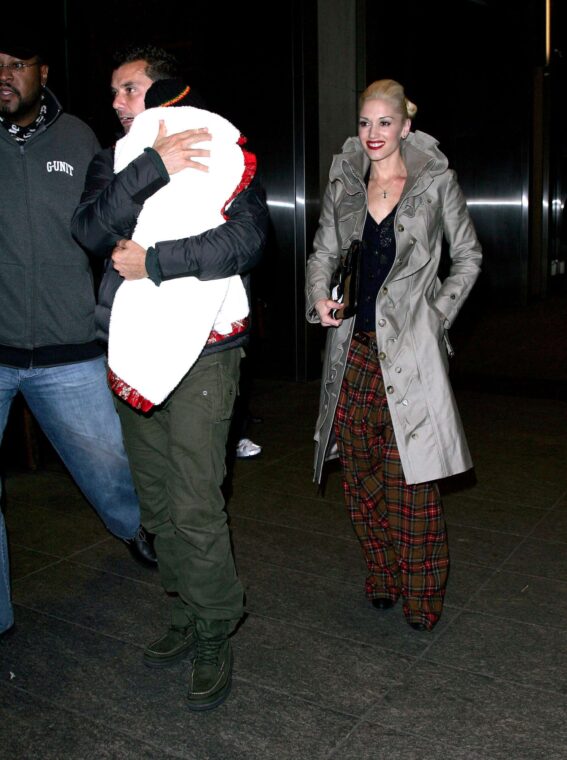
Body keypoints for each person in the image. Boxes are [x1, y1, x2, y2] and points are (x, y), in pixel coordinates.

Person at [71, 47, 269, 710]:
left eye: (127, 90)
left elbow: (247, 241)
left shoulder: (217, 143)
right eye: (113, 93)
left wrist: (155, 262)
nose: (118, 104)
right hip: (132, 345)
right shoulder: (120, 157)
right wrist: (154, 167)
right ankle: (183, 611)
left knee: (192, 501)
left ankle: (215, 627)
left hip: (209, 349)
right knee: (155, 504)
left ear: (161, 90)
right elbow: (90, 230)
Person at [305, 79, 482, 632]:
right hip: (354, 350)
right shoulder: (345, 182)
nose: (373, 134)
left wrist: (437, 315)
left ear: (406, 126)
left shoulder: (434, 184)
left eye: (384, 123)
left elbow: (468, 257)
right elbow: (324, 250)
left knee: (412, 479)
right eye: (364, 122)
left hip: (410, 353)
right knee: (359, 477)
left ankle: (422, 592)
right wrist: (320, 295)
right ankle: (381, 574)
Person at [0, 36, 159, 638]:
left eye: (17, 64)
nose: (5, 77)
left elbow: (111, 223)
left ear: (41, 70)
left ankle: (136, 530)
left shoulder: (80, 140)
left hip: (69, 344)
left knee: (109, 463)